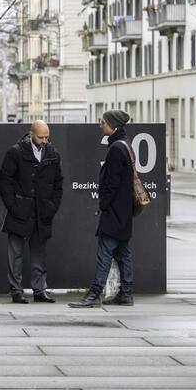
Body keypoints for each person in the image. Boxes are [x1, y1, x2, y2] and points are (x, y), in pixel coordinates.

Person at [69, 110, 135, 308]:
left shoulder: (116, 148)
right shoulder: (126, 145)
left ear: (112, 125)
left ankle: (94, 294)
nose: (100, 125)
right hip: (124, 211)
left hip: (114, 212)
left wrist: (103, 205)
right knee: (123, 253)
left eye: (102, 122)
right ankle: (126, 293)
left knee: (104, 254)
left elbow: (111, 184)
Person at [0, 120, 64, 304]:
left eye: (47, 137)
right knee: (15, 253)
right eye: (41, 137)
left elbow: (58, 184)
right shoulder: (16, 152)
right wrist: (13, 205)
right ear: (31, 134)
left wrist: (52, 206)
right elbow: (4, 181)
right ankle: (16, 291)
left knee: (39, 254)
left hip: (42, 212)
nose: (44, 140)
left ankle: (39, 290)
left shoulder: (52, 153)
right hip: (20, 211)